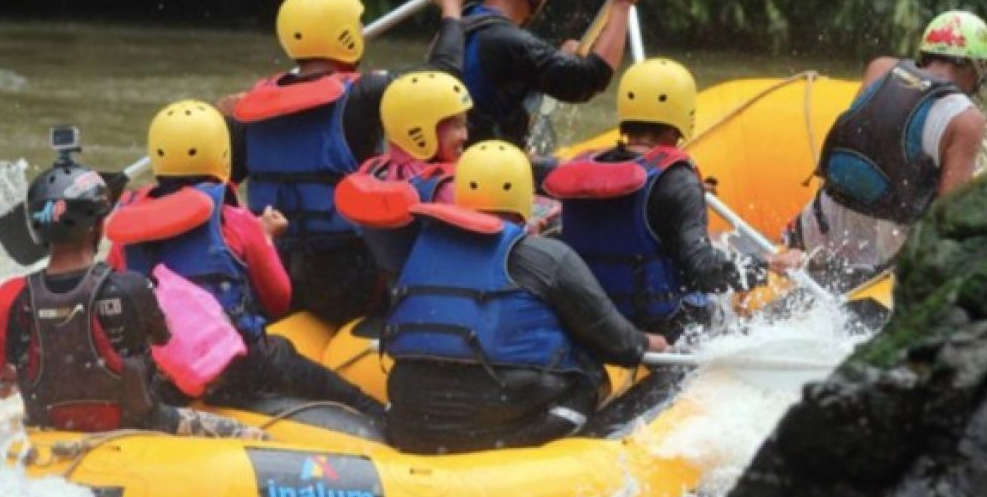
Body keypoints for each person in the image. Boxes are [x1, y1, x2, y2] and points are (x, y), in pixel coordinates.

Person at [379, 140, 669, 454]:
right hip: (503, 423)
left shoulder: (421, 249)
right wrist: (652, 343)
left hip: (414, 418)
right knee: (587, 373)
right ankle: (578, 455)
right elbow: (617, 343)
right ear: (524, 196)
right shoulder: (546, 256)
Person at [0, 146, 257, 438]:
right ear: (97, 227)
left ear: (37, 230)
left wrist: (9, 371)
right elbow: (164, 341)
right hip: (141, 425)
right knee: (252, 436)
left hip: (49, 430)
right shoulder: (132, 287)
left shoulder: (10, 296)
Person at [105, 100, 385, 419]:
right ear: (223, 156)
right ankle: (383, 419)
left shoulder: (126, 228)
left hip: (164, 375)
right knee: (307, 370)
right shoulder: (235, 221)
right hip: (236, 369)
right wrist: (264, 239)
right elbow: (278, 299)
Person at [224, 0, 468, 323]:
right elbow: (442, 81)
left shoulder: (251, 110)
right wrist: (450, 6)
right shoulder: (361, 95)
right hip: (351, 280)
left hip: (277, 276)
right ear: (347, 36)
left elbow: (219, 187)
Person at [544, 59, 804, 342]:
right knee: (735, 309)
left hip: (594, 319)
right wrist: (766, 264)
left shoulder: (585, 168)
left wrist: (688, 194)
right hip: (664, 325)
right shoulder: (677, 181)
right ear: (683, 115)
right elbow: (704, 272)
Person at [785, 10, 987, 287]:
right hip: (880, 250)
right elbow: (947, 218)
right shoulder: (967, 120)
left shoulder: (881, 68)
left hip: (817, 225)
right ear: (976, 68)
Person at [461, 0, 644, 149]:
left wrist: (560, 59)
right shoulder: (508, 41)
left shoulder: (463, 22)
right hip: (488, 170)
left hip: (471, 156)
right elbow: (590, 77)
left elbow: (514, 75)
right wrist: (623, 3)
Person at [333, 70, 471, 276]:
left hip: (393, 291)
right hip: (443, 290)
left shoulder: (372, 170)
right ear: (420, 130)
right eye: (457, 126)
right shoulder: (448, 188)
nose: (465, 135)